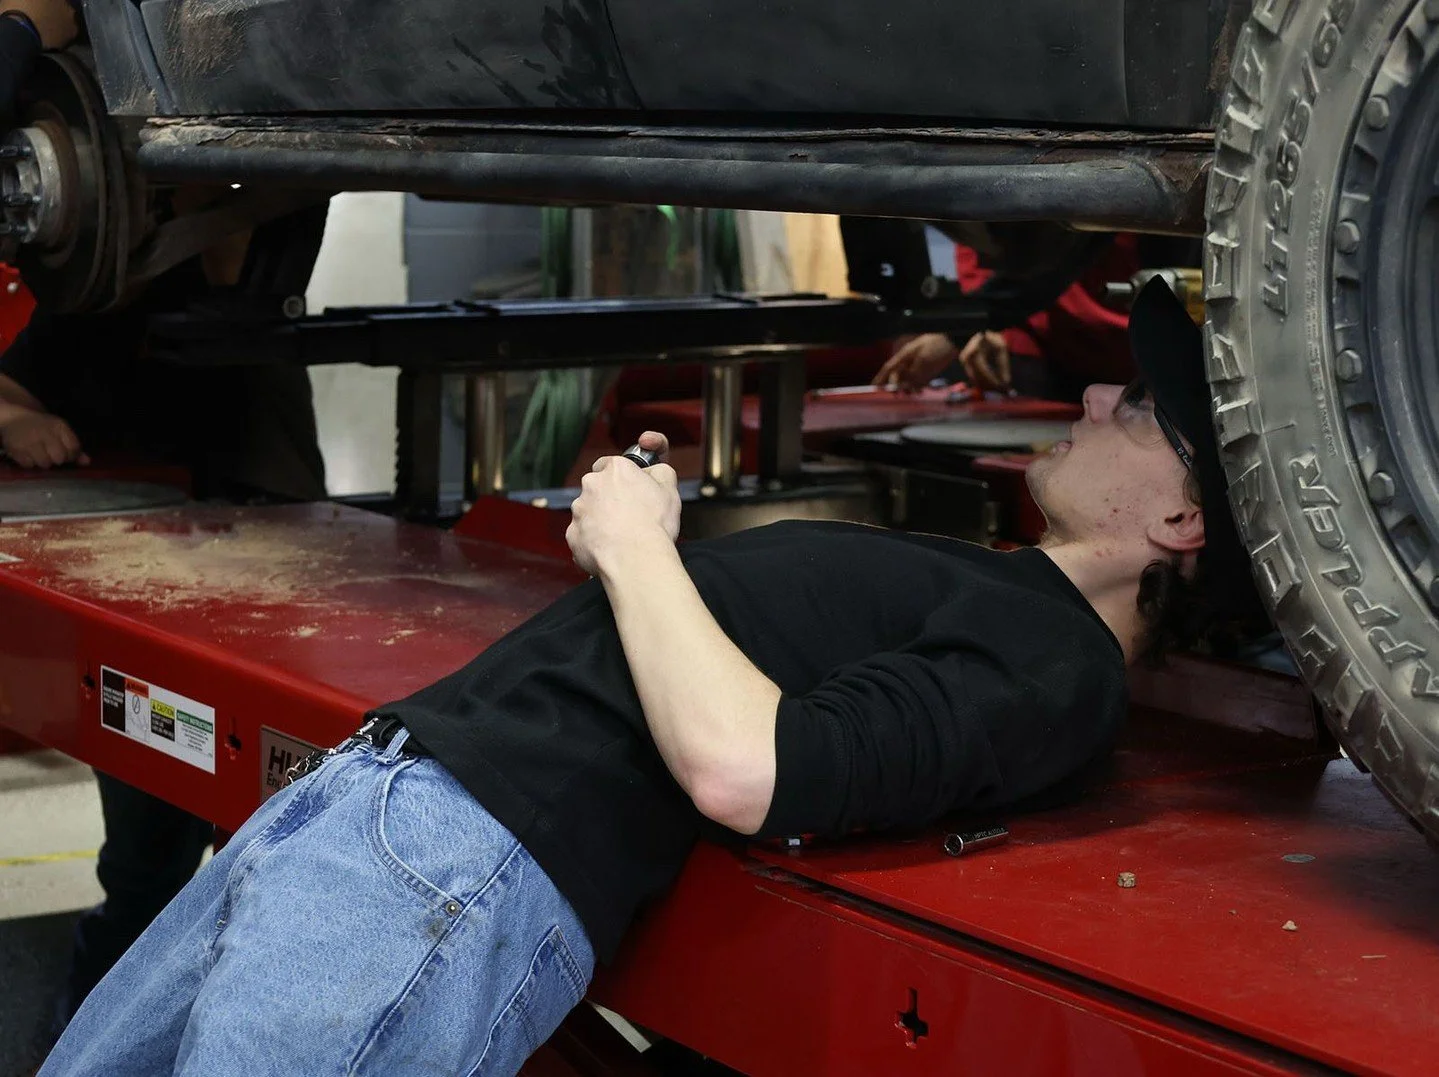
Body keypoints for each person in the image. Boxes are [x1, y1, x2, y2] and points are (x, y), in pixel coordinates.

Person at [40, 278, 1257, 1076]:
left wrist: (631, 544)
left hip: (447, 856)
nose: (1095, 392)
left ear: (1181, 524)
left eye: (1142, 409)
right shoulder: (997, 590)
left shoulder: (1057, 664)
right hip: (366, 820)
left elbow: (748, 768)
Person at [0, 200, 330, 1033]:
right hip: (157, 619)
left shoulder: (282, 255)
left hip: (290, 589)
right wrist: (19, 418)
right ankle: (91, 1045)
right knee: (148, 870)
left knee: (288, 869)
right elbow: (7, 384)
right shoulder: (122, 279)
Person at [873, 234, 1150, 400]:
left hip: (1119, 350)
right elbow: (979, 244)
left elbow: (1062, 259)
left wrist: (963, 328)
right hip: (1027, 339)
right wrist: (983, 327)